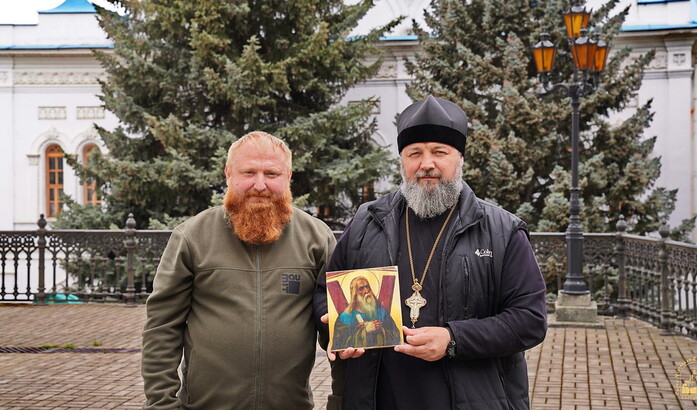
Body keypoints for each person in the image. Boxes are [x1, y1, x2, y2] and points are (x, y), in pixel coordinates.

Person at [314, 95, 547, 410]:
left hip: (471, 399)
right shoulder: (367, 222)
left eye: (440, 152)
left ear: (459, 158)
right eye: (415, 153)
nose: (426, 164)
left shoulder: (501, 230)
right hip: (377, 399)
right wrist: (335, 332)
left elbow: (529, 320)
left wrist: (453, 339)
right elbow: (324, 295)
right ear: (403, 161)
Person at [142, 131, 336, 409]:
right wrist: (161, 403)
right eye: (249, 172)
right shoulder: (192, 236)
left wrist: (340, 400)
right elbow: (162, 327)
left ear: (288, 177)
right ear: (229, 174)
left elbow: (338, 333)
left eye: (271, 173)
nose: (260, 184)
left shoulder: (317, 237)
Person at [331, 276, 401, 350]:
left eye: (367, 286)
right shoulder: (345, 316)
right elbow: (340, 343)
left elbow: (395, 334)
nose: (366, 290)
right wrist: (365, 331)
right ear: (354, 293)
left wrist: (379, 328)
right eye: (361, 288)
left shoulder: (381, 311)